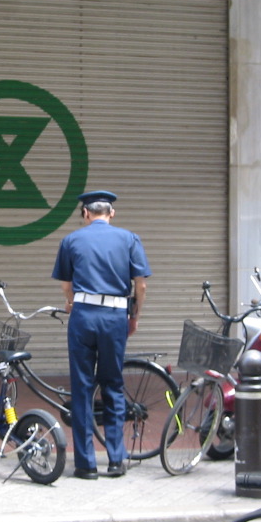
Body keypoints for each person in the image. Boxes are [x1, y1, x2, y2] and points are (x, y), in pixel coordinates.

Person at [51, 190, 151, 480]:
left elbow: (65, 286)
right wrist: (134, 316)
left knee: (82, 387)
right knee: (113, 385)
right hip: (115, 317)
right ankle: (116, 459)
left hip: (83, 316)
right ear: (111, 213)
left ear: (85, 213)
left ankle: (85, 464)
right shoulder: (129, 239)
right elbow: (141, 286)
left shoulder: (70, 241)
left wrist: (71, 302)